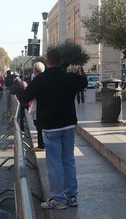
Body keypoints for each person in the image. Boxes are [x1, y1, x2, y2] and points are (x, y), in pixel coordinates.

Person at [20, 48, 88, 209]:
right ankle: (72, 196)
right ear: (61, 60)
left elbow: (24, 97)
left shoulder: (40, 79)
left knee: (54, 162)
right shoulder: (69, 77)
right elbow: (83, 82)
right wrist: (80, 70)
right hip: (68, 123)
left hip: (51, 126)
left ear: (46, 61)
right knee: (69, 160)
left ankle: (58, 198)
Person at [29, 62, 46, 150]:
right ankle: (42, 144)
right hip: (44, 106)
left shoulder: (36, 80)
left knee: (38, 125)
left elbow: (29, 94)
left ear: (35, 70)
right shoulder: (46, 78)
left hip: (38, 106)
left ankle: (41, 144)